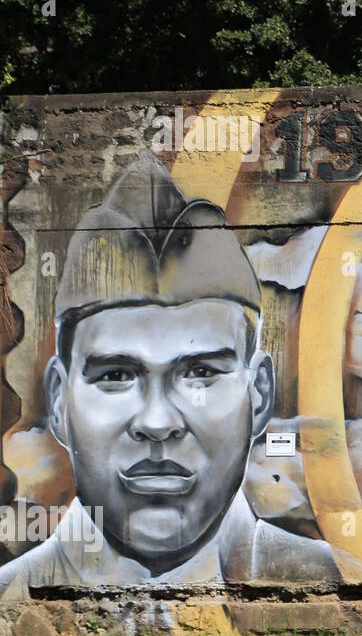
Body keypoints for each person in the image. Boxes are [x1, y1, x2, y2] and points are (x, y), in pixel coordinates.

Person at [0, 154, 340, 599]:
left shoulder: (333, 586)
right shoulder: (10, 599)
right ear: (60, 403)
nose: (157, 423)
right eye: (116, 374)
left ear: (258, 395)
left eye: (200, 372)